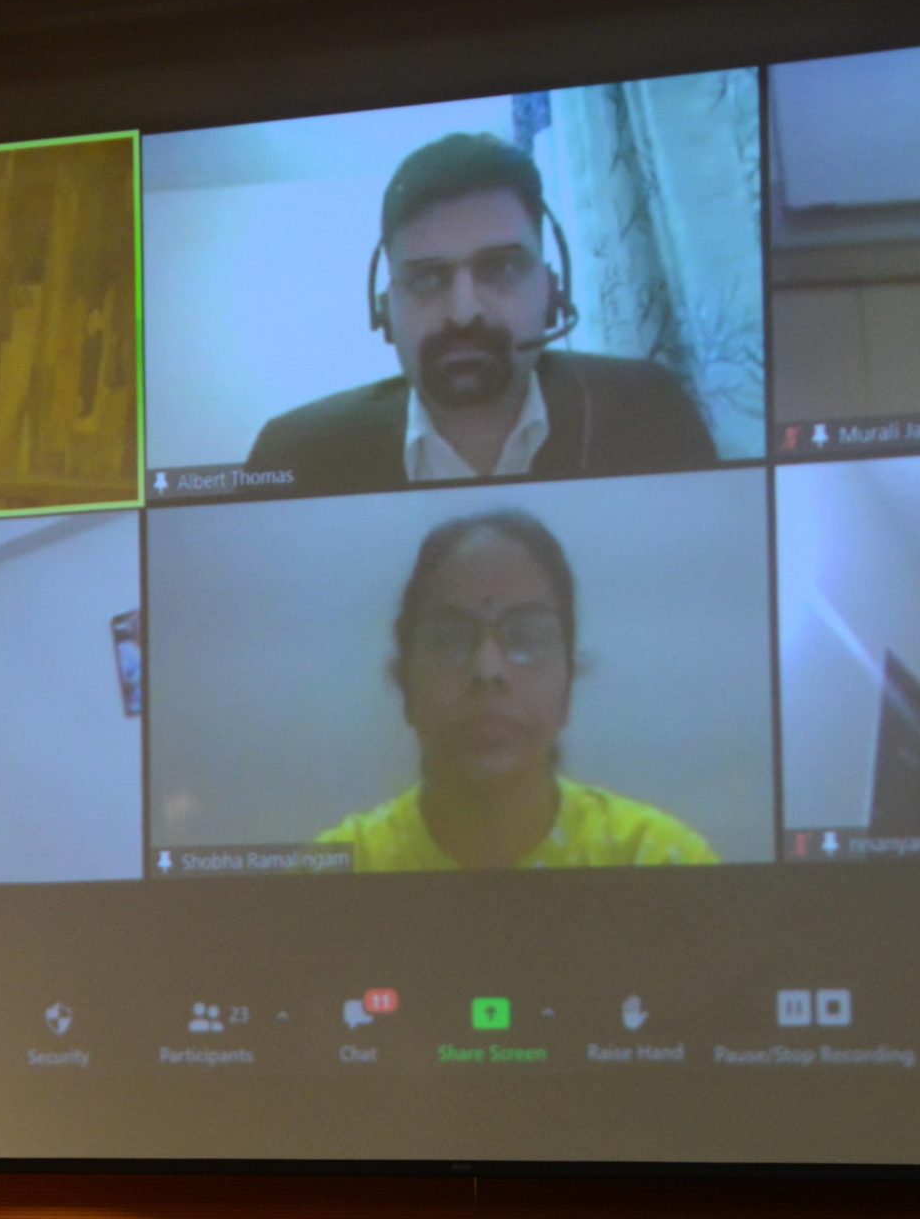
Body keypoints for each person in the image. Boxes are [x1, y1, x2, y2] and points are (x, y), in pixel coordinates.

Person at [246, 133, 718, 494]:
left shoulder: (649, 410)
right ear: (385, 311)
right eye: (426, 278)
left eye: (501, 268)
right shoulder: (294, 453)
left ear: (551, 292)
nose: (463, 312)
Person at [318, 510, 717, 870]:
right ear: (404, 683)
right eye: (450, 640)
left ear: (569, 684)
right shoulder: (341, 870)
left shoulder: (658, 860)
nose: (488, 670)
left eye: (527, 638)